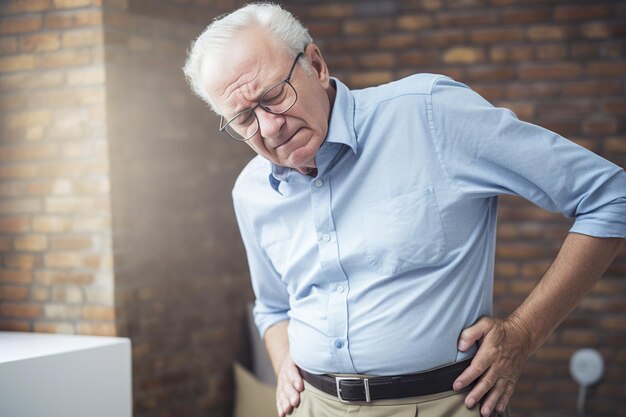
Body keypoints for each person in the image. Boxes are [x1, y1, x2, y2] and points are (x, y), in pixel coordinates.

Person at [183, 3, 626, 417]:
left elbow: (610, 195)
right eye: (244, 119)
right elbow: (274, 306)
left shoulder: (431, 113)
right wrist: (284, 367)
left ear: (316, 65)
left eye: (275, 96)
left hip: (440, 403)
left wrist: (523, 335)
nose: (269, 127)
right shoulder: (250, 190)